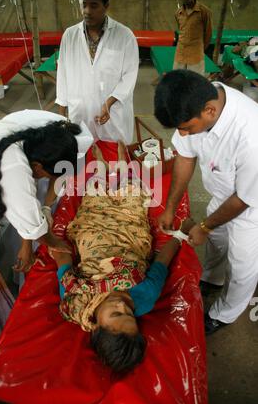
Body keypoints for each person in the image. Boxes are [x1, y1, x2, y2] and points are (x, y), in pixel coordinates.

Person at [0, 110, 93, 404]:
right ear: (36, 165)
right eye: (45, 174)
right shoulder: (18, 168)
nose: (44, 180)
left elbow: (33, 209)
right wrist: (56, 244)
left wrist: (32, 239)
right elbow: (31, 217)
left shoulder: (23, 136)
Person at [49, 143, 193, 373]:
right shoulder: (145, 298)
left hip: (94, 233)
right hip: (131, 235)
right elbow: (161, 262)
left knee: (95, 196)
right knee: (132, 194)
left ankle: (101, 168)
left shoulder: (75, 299)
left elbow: (63, 262)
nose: (122, 305)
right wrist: (180, 233)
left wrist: (54, 242)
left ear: (96, 326)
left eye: (116, 314)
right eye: (129, 314)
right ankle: (120, 162)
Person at [154, 69, 258, 334]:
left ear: (210, 111)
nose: (184, 135)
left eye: (187, 128)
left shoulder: (250, 135)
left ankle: (225, 313)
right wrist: (170, 206)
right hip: (224, 195)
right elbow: (186, 157)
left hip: (251, 206)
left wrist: (205, 226)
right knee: (217, 241)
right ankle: (213, 278)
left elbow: (244, 198)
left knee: (242, 264)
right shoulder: (198, 101)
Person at [56, 0, 139, 144]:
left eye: (94, 5)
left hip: (113, 116)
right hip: (80, 111)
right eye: (84, 4)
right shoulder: (70, 35)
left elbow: (129, 75)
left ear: (106, 6)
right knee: (84, 155)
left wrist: (109, 102)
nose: (87, 11)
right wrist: (61, 112)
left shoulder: (124, 36)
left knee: (115, 162)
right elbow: (63, 74)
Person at [174, 0, 212, 75]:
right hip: (180, 54)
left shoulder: (204, 11)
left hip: (196, 56)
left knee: (195, 85)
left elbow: (208, 34)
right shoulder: (178, 13)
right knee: (178, 82)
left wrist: (199, 49)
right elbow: (180, 29)